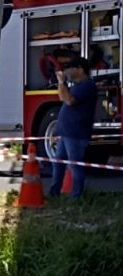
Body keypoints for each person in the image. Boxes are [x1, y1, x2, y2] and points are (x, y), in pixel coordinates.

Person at [50, 57, 97, 198]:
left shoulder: (87, 85)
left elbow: (69, 101)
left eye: (70, 68)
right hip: (66, 132)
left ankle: (77, 196)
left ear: (80, 69)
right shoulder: (76, 85)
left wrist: (61, 82)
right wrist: (61, 84)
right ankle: (54, 193)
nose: (67, 71)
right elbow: (62, 97)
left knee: (75, 164)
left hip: (76, 133)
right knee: (58, 163)